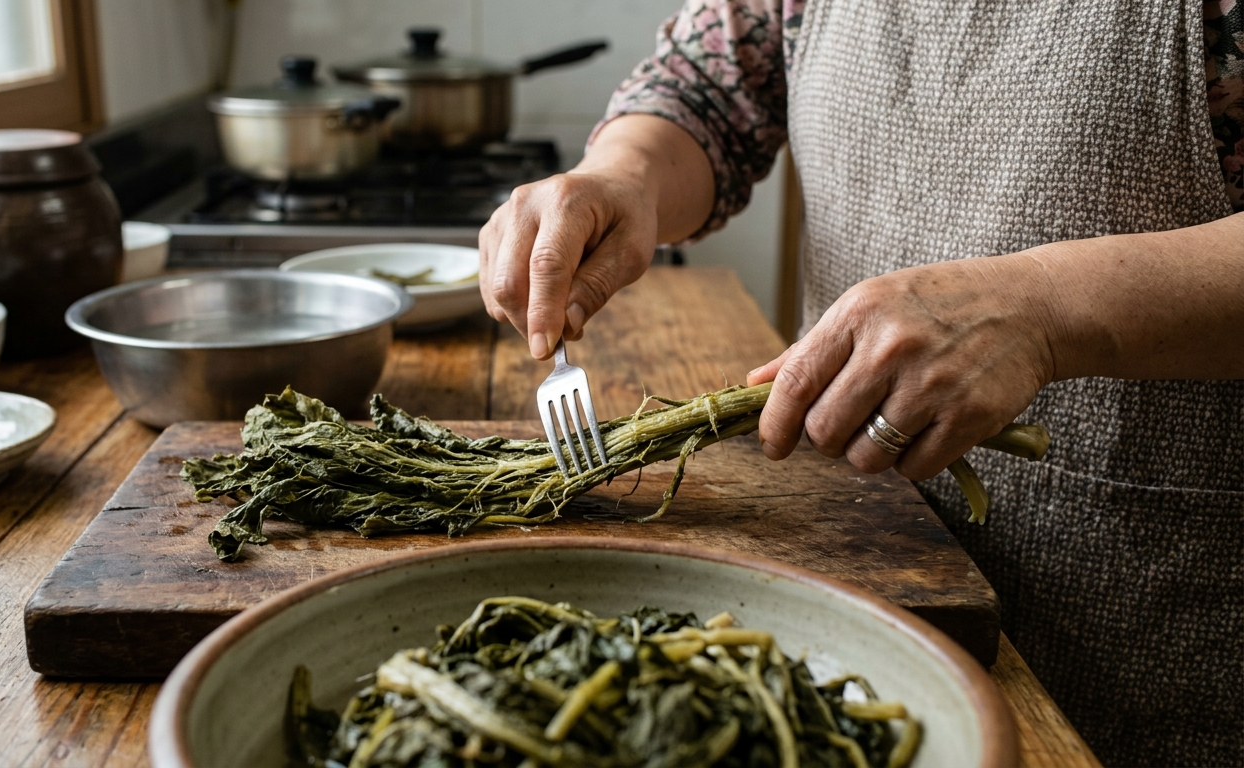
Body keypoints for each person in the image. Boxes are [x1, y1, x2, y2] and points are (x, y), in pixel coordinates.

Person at [478, 2, 1244, 766]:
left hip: (1145, 619)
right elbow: (707, 89)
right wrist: (626, 174)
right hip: (852, 559)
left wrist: (1046, 305)